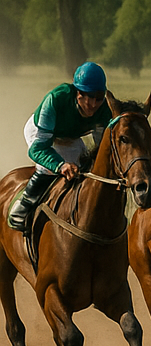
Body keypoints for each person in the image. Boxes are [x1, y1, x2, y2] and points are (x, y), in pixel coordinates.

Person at [8, 62, 112, 232]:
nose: (93, 104)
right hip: (42, 134)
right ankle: (23, 206)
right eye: (89, 96)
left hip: (70, 137)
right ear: (78, 92)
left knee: (84, 168)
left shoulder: (104, 110)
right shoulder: (55, 99)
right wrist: (60, 165)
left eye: (99, 97)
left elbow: (102, 147)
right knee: (49, 169)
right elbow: (38, 149)